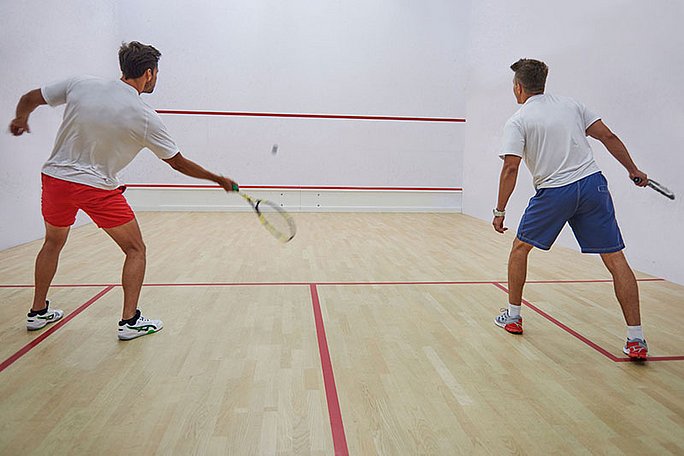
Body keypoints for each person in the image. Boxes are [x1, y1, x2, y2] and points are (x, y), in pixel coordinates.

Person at [9, 41, 238, 340]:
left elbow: (29, 98)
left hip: (55, 180)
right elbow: (178, 163)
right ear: (148, 73)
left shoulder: (81, 84)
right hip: (95, 189)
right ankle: (130, 321)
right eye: (156, 72)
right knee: (135, 249)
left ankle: (37, 312)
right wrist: (217, 178)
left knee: (52, 242)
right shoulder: (144, 116)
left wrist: (20, 118)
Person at [492, 58, 649, 359]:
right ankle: (636, 339)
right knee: (615, 258)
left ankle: (513, 316)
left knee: (519, 249)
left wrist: (500, 211)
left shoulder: (518, 120)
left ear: (519, 87)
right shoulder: (572, 105)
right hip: (592, 186)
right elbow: (608, 137)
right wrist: (632, 169)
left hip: (554, 192)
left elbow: (510, 168)